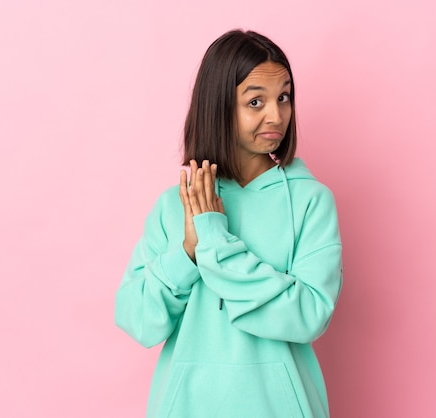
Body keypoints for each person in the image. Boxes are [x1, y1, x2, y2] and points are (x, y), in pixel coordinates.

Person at [115, 29, 343, 418]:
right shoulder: (177, 204)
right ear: (219, 106)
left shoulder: (311, 201)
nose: (277, 115)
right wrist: (187, 252)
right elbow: (137, 319)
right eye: (256, 101)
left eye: (284, 97)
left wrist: (215, 240)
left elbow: (309, 315)